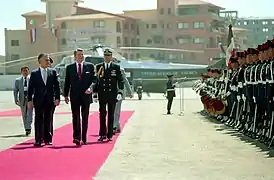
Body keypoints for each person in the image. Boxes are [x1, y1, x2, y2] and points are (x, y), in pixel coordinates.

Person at [63, 48, 96, 145]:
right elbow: (67, 82)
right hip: (75, 96)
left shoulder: (90, 66)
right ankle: (77, 137)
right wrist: (65, 94)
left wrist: (91, 88)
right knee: (75, 116)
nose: (81, 56)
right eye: (79, 55)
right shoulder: (69, 68)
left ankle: (84, 138)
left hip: (86, 95)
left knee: (85, 117)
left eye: (82, 54)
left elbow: (94, 80)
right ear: (75, 56)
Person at [28, 53, 60, 147]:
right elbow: (31, 88)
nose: (48, 61)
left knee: (48, 119)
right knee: (38, 119)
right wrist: (29, 100)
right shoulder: (34, 74)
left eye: (48, 60)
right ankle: (38, 139)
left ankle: (48, 139)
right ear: (40, 61)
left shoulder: (53, 72)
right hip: (38, 100)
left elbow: (57, 86)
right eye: (46, 60)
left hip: (50, 100)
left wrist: (57, 98)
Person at [93, 49, 124, 141]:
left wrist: (120, 92)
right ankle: (102, 134)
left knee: (111, 114)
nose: (107, 57)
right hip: (102, 94)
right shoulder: (99, 67)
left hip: (112, 94)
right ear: (104, 56)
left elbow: (120, 81)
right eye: (105, 55)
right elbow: (96, 81)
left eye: (109, 55)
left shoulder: (116, 67)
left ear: (111, 56)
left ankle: (109, 134)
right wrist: (95, 93)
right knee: (102, 114)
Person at [13, 66, 33, 136]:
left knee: (29, 114)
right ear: (21, 72)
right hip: (22, 99)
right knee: (24, 114)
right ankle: (26, 129)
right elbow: (15, 90)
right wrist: (16, 99)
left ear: (28, 71)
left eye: (26, 70)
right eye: (23, 71)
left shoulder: (31, 79)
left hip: (30, 99)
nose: (25, 72)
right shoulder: (18, 80)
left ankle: (28, 127)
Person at [113, 67, 133, 134]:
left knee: (116, 110)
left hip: (119, 93)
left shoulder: (120, 70)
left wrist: (130, 92)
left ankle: (114, 126)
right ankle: (117, 126)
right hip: (110, 93)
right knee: (113, 110)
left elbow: (125, 80)